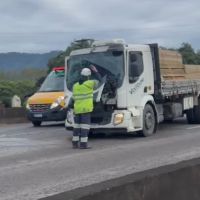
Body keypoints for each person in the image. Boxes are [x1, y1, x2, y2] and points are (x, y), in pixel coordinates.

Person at [71, 65, 101, 149]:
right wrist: (96, 71)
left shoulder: (75, 85)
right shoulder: (89, 83)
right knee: (85, 127)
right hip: (85, 110)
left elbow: (73, 98)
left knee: (76, 127)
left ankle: (75, 143)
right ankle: (83, 144)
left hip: (77, 110)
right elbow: (100, 80)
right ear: (88, 76)